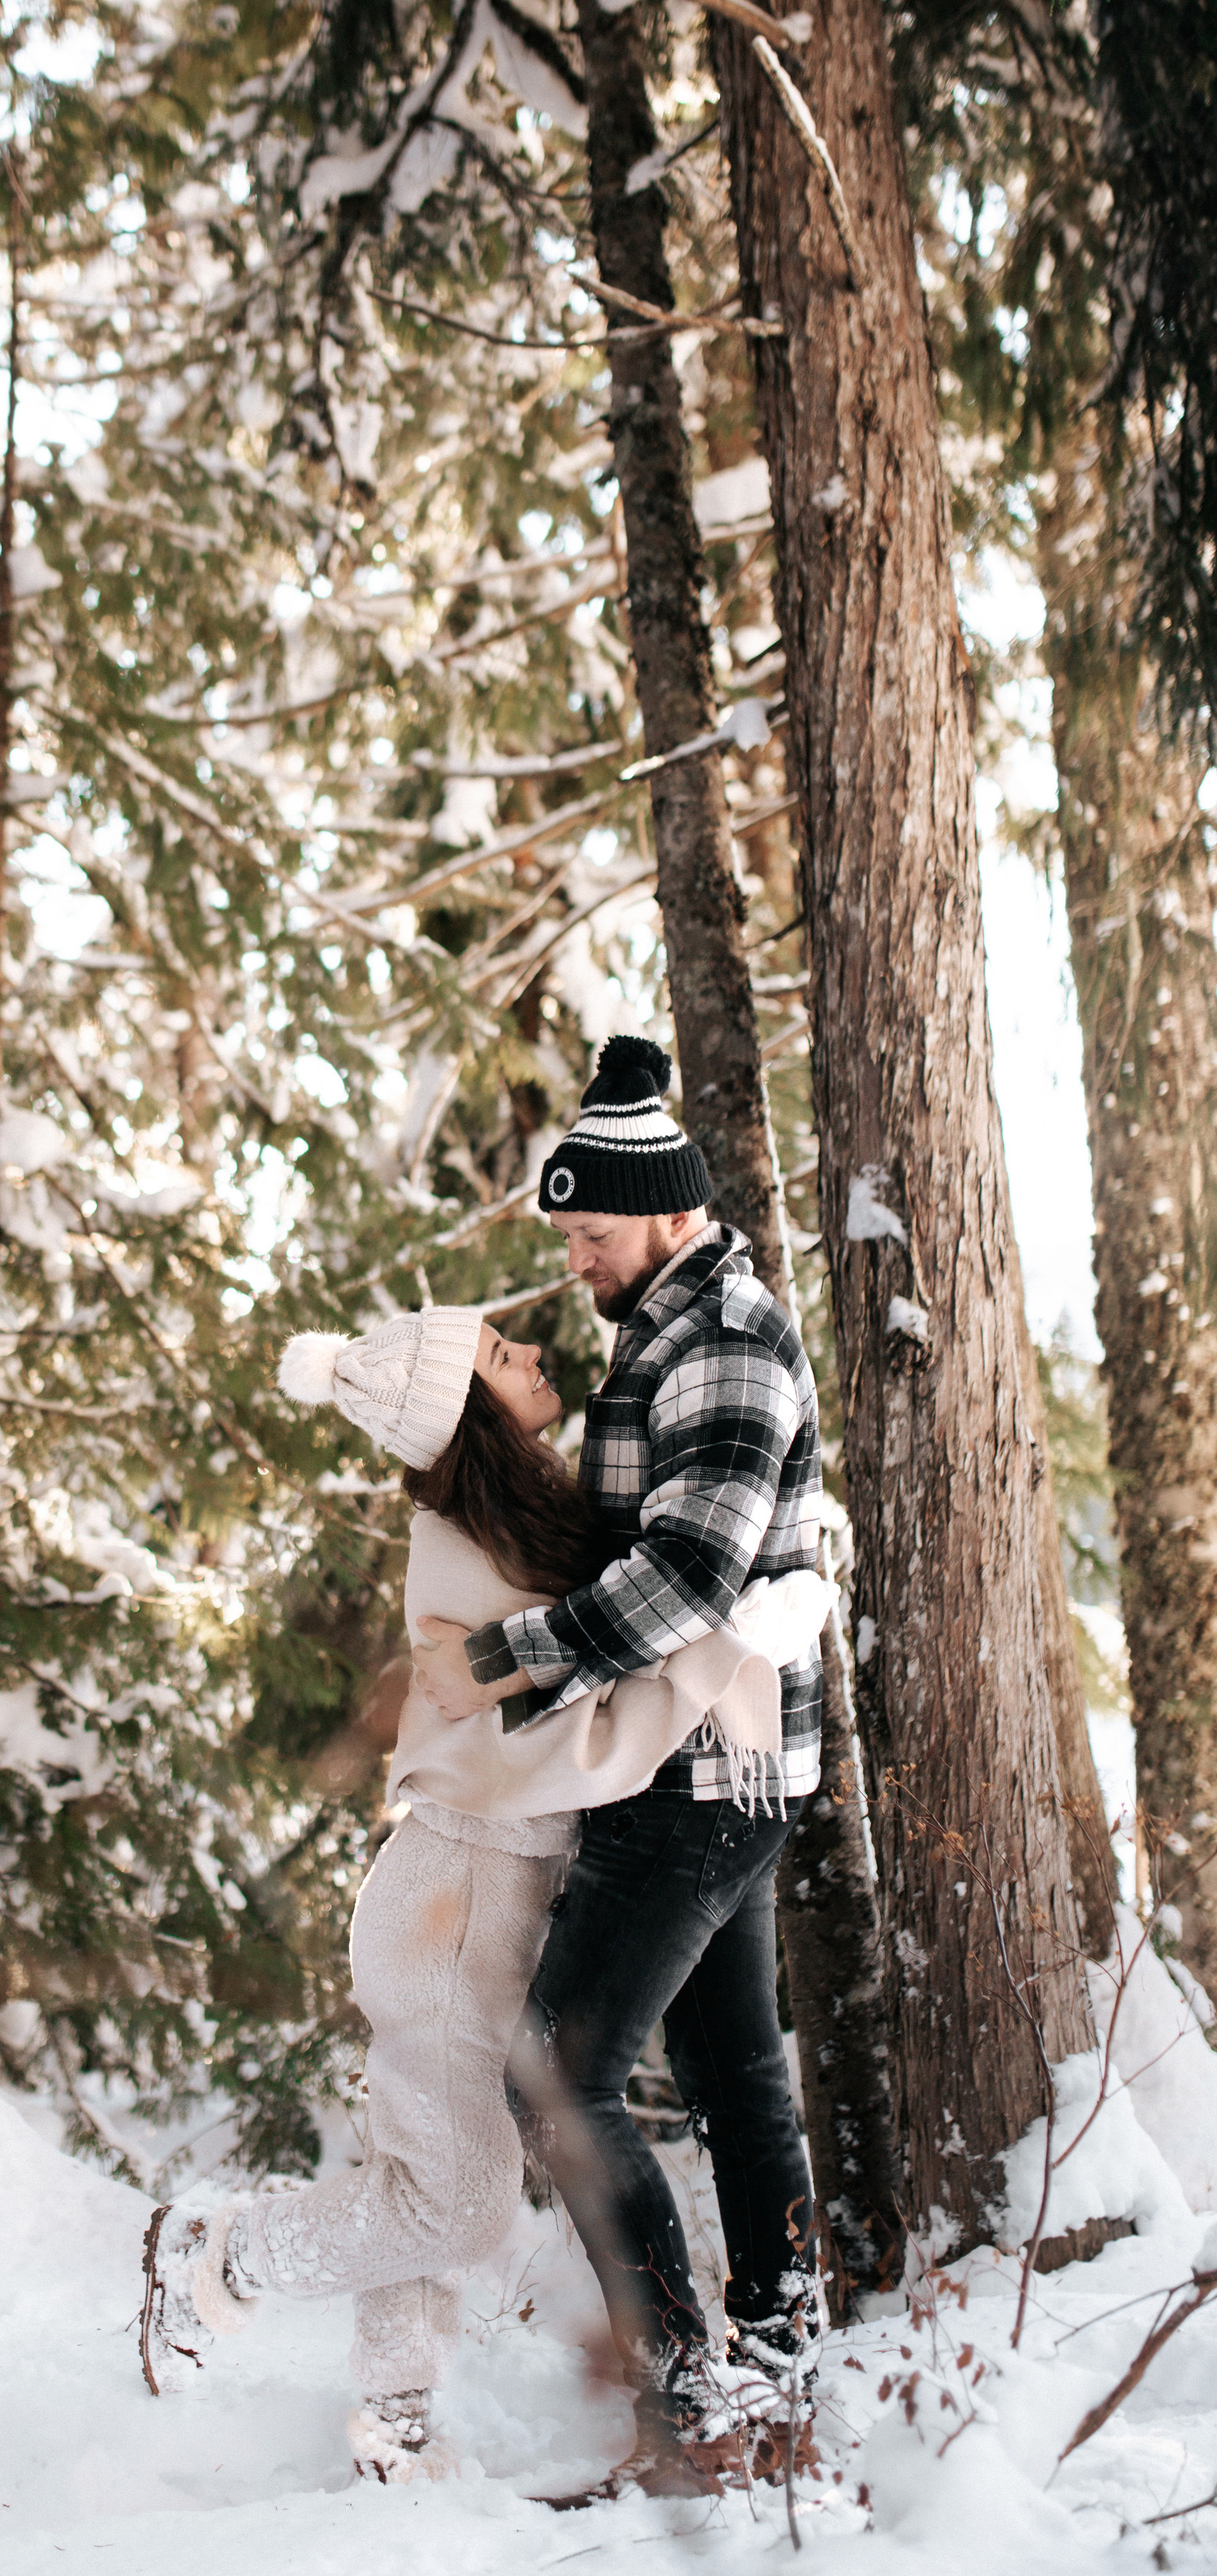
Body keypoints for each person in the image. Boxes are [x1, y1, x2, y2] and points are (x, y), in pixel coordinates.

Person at [138, 1287, 828, 2485]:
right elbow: (575, 1737)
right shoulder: (467, 1550)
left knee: (436, 2175)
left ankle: (395, 2415)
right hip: (456, 1907)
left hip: (488, 1904)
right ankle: (223, 2252)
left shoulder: (527, 1513)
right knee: (459, 2200)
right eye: (502, 1355)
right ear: (472, 1416)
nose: (533, 1354)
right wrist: (735, 1647)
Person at [411, 1033, 826, 2464]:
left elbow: (689, 1580)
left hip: (704, 1776)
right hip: (703, 1765)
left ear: (659, 1214)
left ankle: (693, 2394)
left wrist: (496, 1664)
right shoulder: (662, 1331)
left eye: (590, 1234)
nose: (576, 1262)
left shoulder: (722, 1340)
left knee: (559, 2073)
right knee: (738, 2084)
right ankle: (773, 2377)